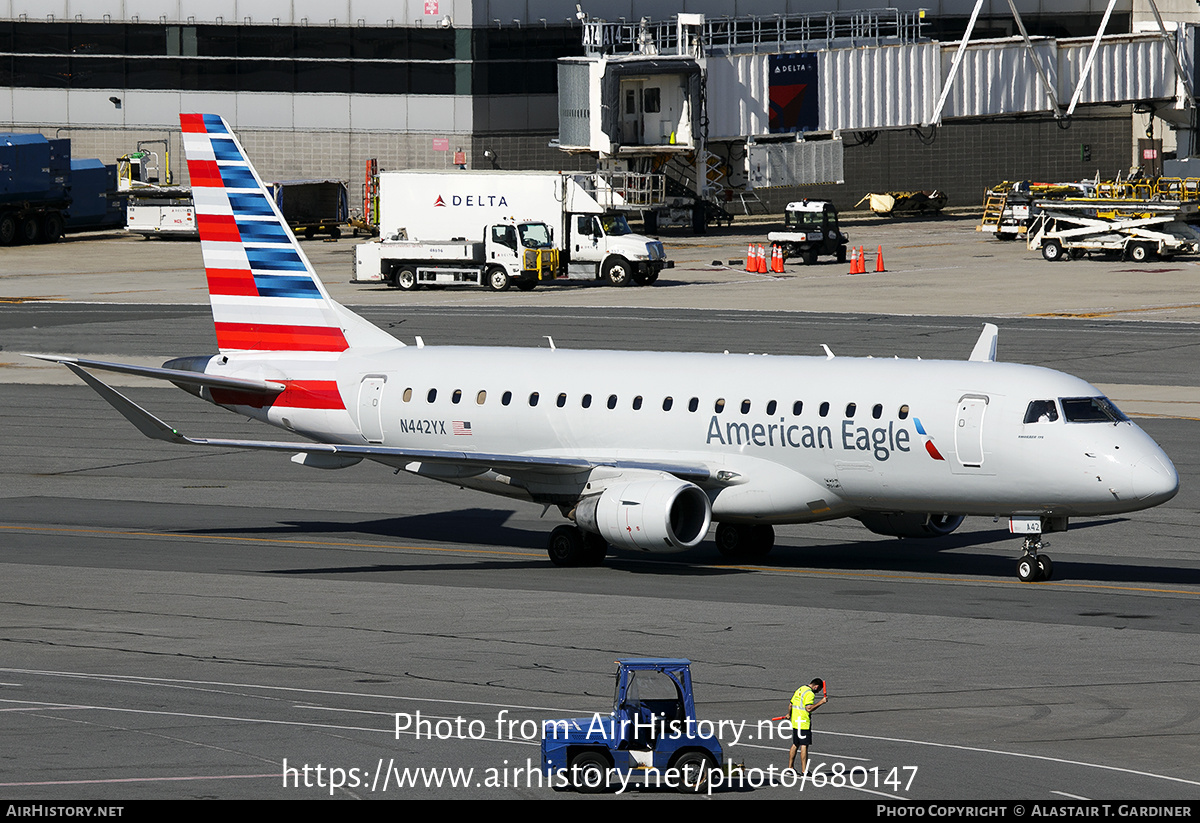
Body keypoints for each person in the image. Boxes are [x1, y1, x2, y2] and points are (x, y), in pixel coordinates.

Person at [786, 678, 827, 774]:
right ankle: (804, 770)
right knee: (804, 745)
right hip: (803, 723)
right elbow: (809, 708)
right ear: (816, 686)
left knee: (795, 744)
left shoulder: (800, 689)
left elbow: (790, 705)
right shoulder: (809, 693)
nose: (818, 692)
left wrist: (789, 714)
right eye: (819, 689)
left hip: (795, 722)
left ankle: (790, 768)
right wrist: (821, 702)